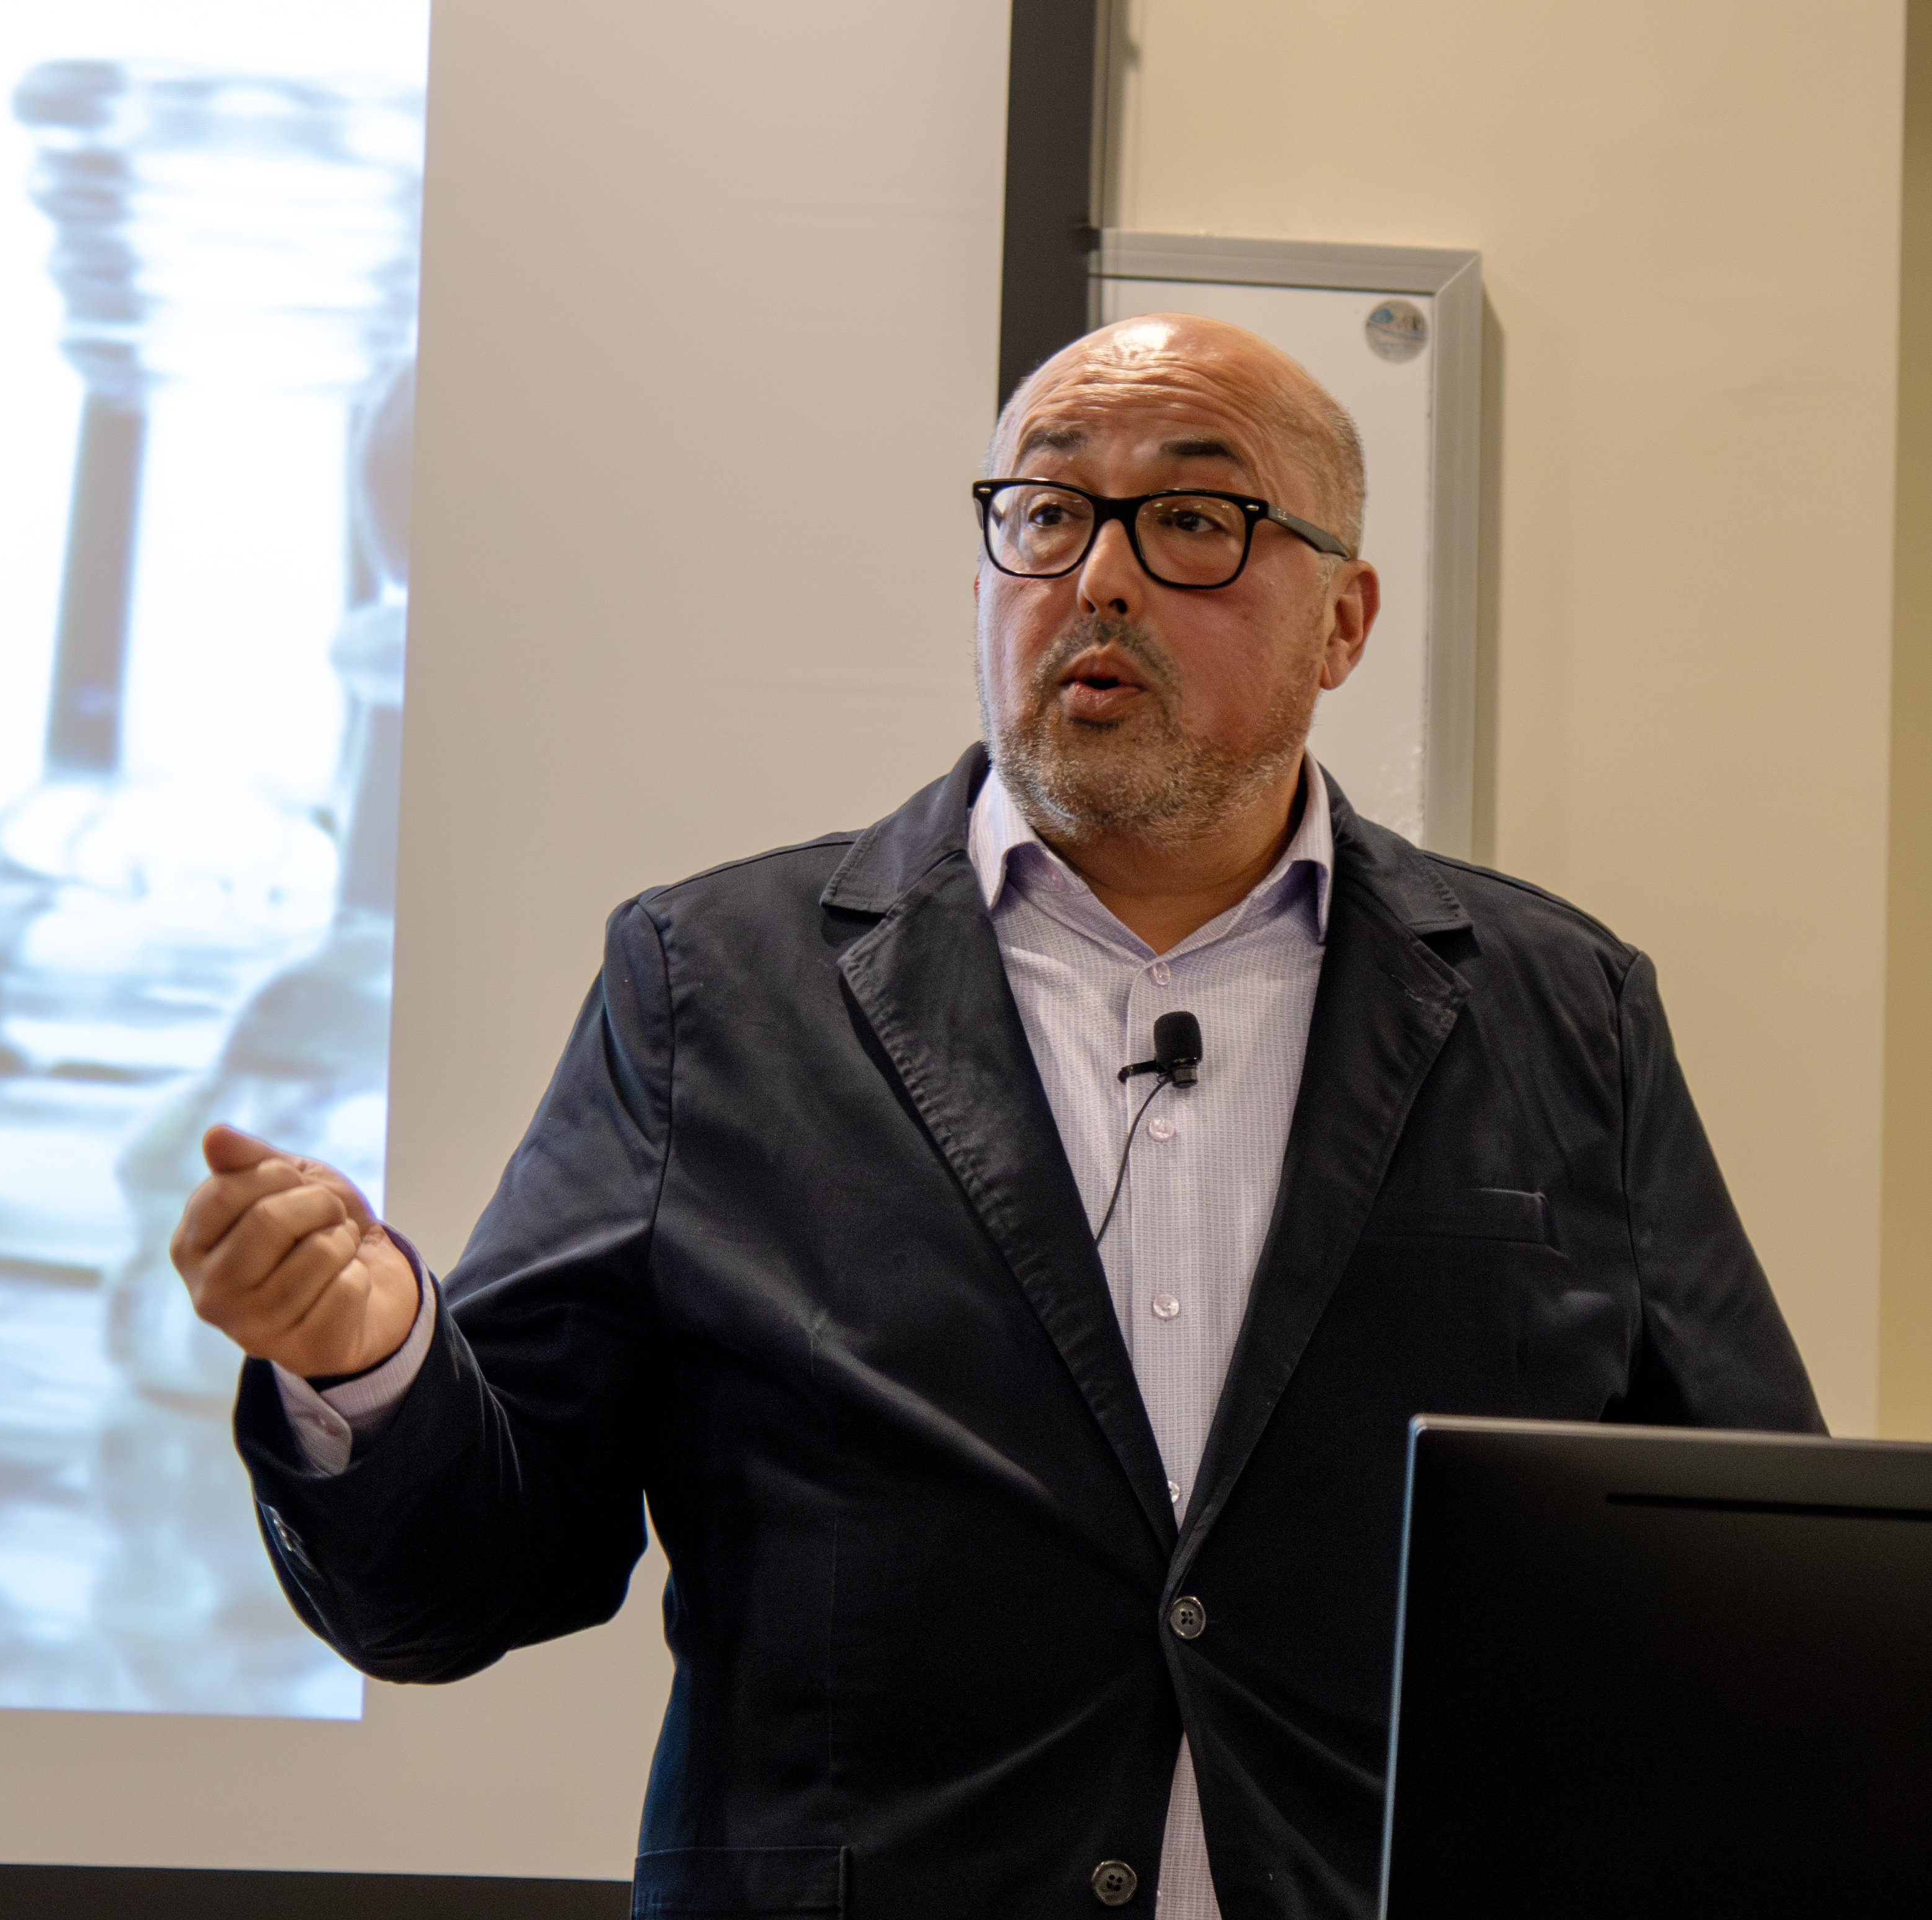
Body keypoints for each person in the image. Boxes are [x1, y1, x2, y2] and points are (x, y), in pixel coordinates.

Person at [170, 314, 1823, 1920]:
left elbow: (1742, 1573)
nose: (1097, 577)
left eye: (1192, 517)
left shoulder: (1559, 1008)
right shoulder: (710, 988)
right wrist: (369, 1359)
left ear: (1343, 620)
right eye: (1041, 514)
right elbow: (473, 1578)